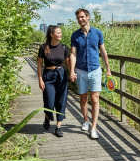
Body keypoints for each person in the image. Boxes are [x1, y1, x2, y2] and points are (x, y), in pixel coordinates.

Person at [69, 8, 112, 139]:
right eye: (78, 18)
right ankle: (86, 120)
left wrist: (108, 70)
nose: (80, 20)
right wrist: (72, 71)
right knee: (83, 97)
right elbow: (73, 54)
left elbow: (103, 52)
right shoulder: (75, 35)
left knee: (94, 99)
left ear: (88, 17)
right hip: (81, 70)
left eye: (82, 17)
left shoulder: (98, 33)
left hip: (95, 70)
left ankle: (94, 128)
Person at [37, 25, 70, 137]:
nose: (61, 34)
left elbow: (68, 63)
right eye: (58, 33)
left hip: (61, 76)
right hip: (48, 76)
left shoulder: (64, 47)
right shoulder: (43, 48)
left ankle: (58, 127)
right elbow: (40, 64)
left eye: (61, 32)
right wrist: (40, 80)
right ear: (52, 35)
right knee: (50, 103)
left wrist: (72, 74)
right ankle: (47, 116)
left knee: (61, 101)